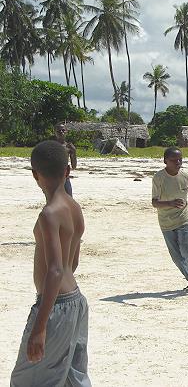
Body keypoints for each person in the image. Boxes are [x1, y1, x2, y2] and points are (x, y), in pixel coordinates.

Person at [11, 140, 91, 386]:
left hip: (56, 305)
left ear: (35, 174)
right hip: (77, 301)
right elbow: (72, 261)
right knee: (72, 377)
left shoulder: (49, 214)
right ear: (67, 171)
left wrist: (40, 326)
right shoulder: (74, 207)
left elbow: (55, 270)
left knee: (27, 380)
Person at [152, 147, 188, 292]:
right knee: (176, 255)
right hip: (165, 222)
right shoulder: (158, 178)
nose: (178, 162)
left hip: (183, 219)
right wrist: (170, 204)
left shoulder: (186, 177)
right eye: (174, 160)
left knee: (186, 248)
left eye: (180, 160)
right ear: (165, 161)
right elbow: (154, 202)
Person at [54, 123, 77, 197]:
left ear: (66, 132)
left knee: (69, 199)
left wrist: (74, 152)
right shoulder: (51, 146)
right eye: (59, 131)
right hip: (53, 178)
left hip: (65, 177)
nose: (61, 132)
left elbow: (74, 166)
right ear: (55, 132)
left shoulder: (69, 147)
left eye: (63, 130)